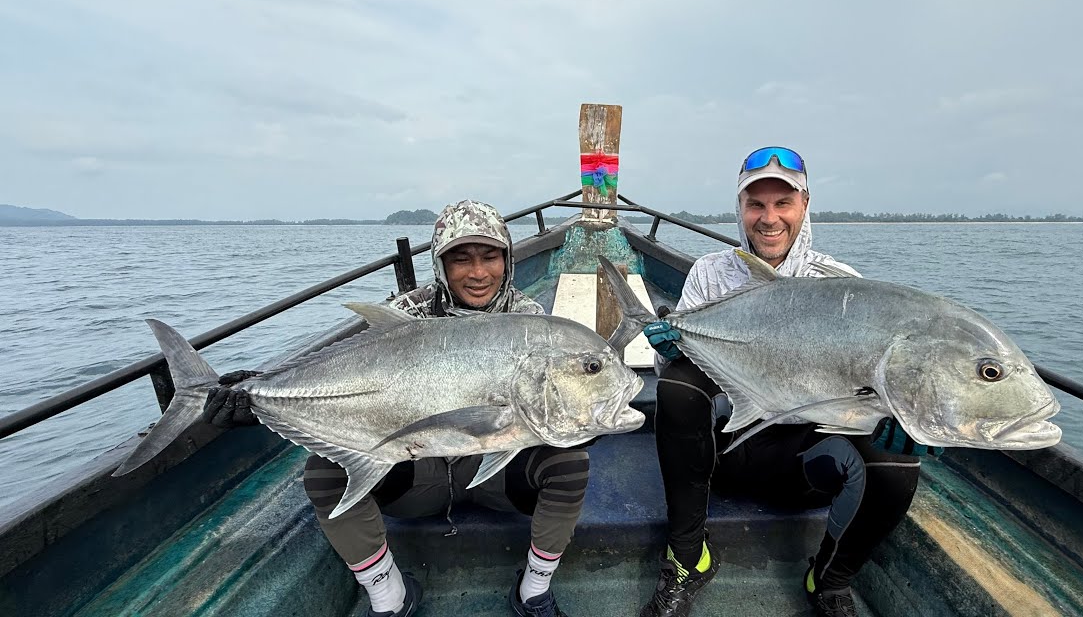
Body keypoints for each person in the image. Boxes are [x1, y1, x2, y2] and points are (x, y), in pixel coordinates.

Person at [203, 200, 587, 617]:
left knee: (571, 462)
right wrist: (260, 393)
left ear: (507, 260)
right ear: (441, 265)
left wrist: (586, 414)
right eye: (461, 259)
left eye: (489, 256)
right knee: (323, 471)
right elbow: (354, 374)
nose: (477, 273)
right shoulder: (409, 313)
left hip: (497, 477)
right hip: (414, 474)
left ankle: (534, 592)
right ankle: (389, 599)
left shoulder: (529, 321)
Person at [636, 147, 941, 617]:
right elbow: (682, 382)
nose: (769, 219)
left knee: (898, 458)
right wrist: (670, 351)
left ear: (804, 206)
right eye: (755, 204)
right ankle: (687, 558)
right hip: (725, 452)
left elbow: (866, 382)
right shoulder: (710, 275)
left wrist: (903, 418)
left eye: (783, 204)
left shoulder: (840, 283)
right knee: (677, 383)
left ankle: (830, 580)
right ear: (740, 210)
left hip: (803, 461)